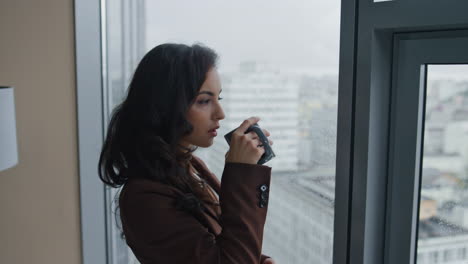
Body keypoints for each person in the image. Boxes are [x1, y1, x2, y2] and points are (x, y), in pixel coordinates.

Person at [98, 43, 276, 264]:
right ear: (165, 105)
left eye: (217, 98)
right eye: (204, 101)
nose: (220, 113)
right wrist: (242, 173)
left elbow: (217, 242)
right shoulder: (144, 198)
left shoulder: (189, 165)